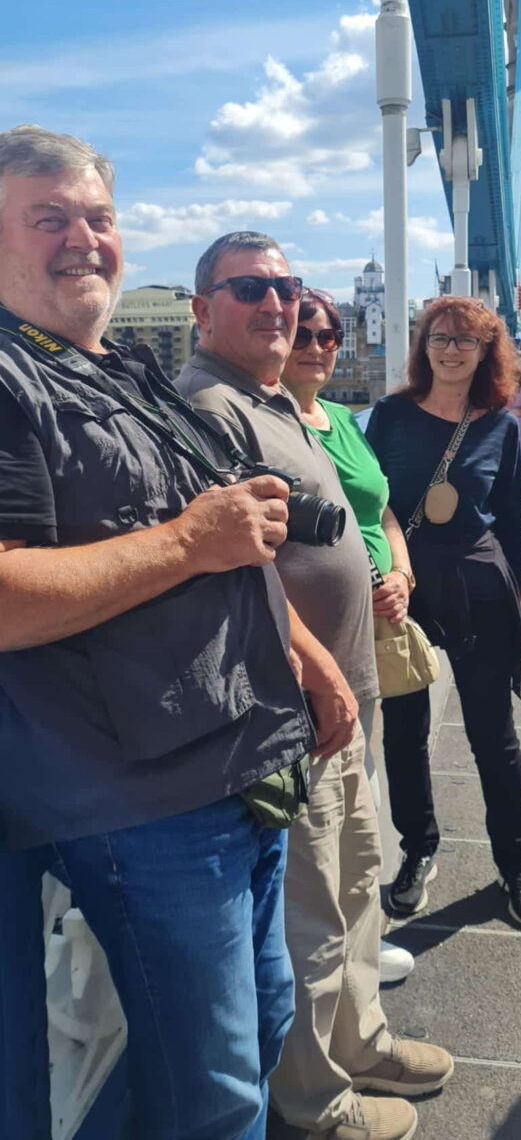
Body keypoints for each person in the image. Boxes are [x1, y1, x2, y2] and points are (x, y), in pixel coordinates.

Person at [0, 126, 360, 1140]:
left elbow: (230, 539)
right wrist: (184, 545)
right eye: (49, 219)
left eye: (99, 219)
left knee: (245, 1038)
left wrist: (308, 657)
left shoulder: (126, 369)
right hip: (134, 798)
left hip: (237, 757)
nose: (84, 240)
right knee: (217, 1091)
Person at [177, 233, 453, 1140]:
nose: (277, 303)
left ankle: (362, 1040)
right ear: (201, 308)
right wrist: (316, 668)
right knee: (310, 920)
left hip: (349, 696)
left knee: (358, 885)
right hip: (292, 711)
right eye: (250, 286)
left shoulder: (282, 405)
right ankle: (316, 1098)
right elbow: (228, 570)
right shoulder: (207, 407)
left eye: (286, 286)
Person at [365, 296, 521, 929]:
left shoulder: (502, 425)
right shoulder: (388, 416)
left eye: (465, 341)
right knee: (405, 730)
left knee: (493, 736)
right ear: (423, 346)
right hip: (404, 588)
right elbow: (369, 505)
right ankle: (418, 850)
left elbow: (516, 525)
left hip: (481, 587)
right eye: (439, 338)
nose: (450, 349)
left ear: (486, 351)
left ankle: (516, 862)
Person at [279, 286, 416, 987]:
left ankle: (363, 942)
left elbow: (383, 508)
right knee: (317, 823)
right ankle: (328, 968)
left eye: (330, 334)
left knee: (364, 795)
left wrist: (403, 570)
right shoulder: (265, 418)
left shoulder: (340, 417)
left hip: (371, 639)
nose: (317, 345)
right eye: (303, 331)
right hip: (309, 657)